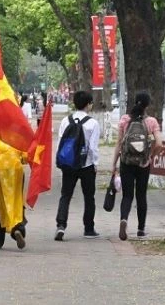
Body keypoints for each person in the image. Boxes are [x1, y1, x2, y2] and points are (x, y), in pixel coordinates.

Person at [112, 91, 162, 241]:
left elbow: (119, 143)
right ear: (147, 105)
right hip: (143, 163)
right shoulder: (151, 122)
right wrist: (151, 155)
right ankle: (141, 229)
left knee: (127, 195)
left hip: (126, 162)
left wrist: (114, 164)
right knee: (141, 195)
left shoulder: (125, 120)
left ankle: (124, 220)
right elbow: (159, 143)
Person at [54, 90, 101, 241]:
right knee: (89, 197)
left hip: (68, 165)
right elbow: (93, 148)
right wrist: (95, 163)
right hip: (86, 165)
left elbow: (60, 143)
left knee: (65, 195)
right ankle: (88, 228)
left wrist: (60, 162)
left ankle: (61, 225)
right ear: (88, 104)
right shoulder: (93, 123)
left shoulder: (65, 121)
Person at [0, 136, 27, 250]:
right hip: (15, 170)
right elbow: (25, 157)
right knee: (16, 202)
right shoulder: (18, 137)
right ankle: (17, 229)